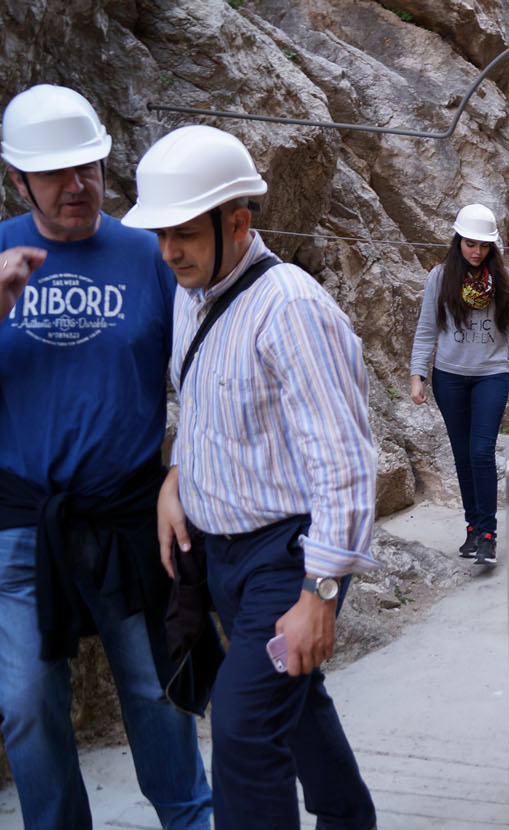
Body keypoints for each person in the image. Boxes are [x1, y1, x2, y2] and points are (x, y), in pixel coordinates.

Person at [123, 124, 377, 830]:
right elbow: (200, 404)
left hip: (287, 554)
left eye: (184, 234)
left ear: (236, 222)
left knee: (240, 731)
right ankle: (350, 819)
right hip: (223, 555)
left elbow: (345, 460)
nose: (169, 251)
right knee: (294, 704)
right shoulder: (190, 291)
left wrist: (319, 592)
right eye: (161, 235)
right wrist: (176, 476)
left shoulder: (290, 308)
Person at [0, 84, 212, 830]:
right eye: (55, 174)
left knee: (158, 696)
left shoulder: (147, 253)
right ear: (17, 179)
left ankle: (191, 820)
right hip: (21, 519)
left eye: (87, 165)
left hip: (129, 513)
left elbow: (203, 376)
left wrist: (181, 469)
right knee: (23, 704)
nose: (77, 185)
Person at [409, 204, 509, 566]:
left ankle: (489, 534)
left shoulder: (503, 281)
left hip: (490, 376)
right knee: (463, 455)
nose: (476, 251)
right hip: (449, 377)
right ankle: (473, 528)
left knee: (481, 451)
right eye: (470, 243)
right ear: (458, 241)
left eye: (483, 245)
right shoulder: (439, 277)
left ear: (492, 247)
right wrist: (418, 374)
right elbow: (426, 329)